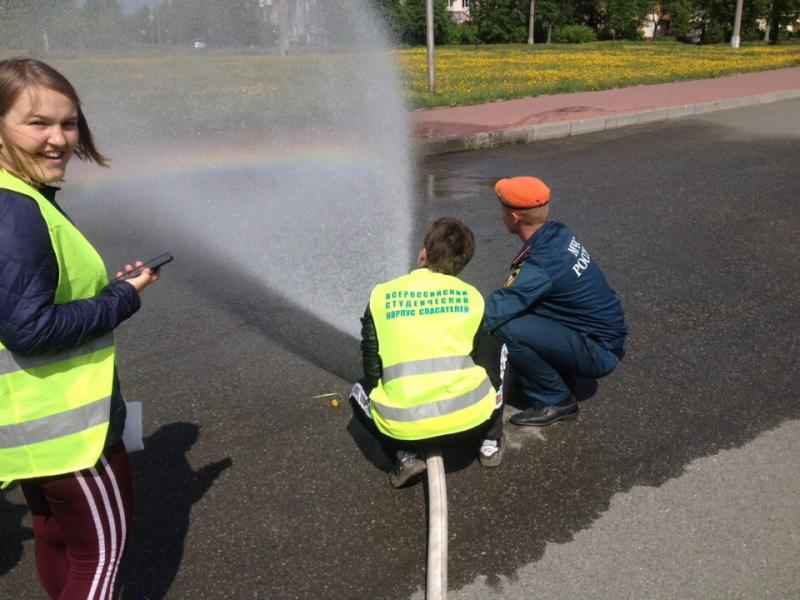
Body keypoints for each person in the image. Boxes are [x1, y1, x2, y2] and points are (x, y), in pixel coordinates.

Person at [0, 58, 160, 599]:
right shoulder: (17, 210)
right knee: (98, 557)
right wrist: (122, 298)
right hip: (72, 436)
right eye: (38, 123)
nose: (59, 139)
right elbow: (31, 329)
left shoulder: (16, 198)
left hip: (30, 431)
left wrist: (102, 293)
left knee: (57, 541)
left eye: (68, 124)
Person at [350, 218, 504, 488]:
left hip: (405, 430)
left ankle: (404, 456)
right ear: (462, 264)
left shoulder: (381, 295)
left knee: (358, 391)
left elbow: (371, 369)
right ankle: (490, 442)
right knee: (497, 346)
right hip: (470, 422)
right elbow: (479, 354)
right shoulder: (471, 296)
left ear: (423, 253)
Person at [481, 176, 628, 427]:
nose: (500, 214)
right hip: (601, 334)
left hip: (599, 350)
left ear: (514, 217)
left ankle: (555, 399)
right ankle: (556, 373)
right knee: (525, 311)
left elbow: (496, 310)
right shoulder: (557, 233)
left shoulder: (541, 264)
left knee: (503, 327)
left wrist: (449, 322)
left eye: (502, 208)